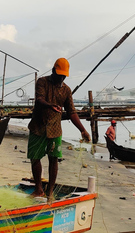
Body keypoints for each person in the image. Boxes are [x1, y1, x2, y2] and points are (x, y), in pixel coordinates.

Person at [27, 58, 91, 199]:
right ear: (53, 71)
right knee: (35, 158)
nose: (61, 78)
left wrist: (82, 130)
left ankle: (50, 192)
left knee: (54, 159)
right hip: (38, 126)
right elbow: (39, 99)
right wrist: (50, 105)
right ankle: (38, 189)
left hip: (55, 130)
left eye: (64, 76)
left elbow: (72, 112)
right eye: (59, 75)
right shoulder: (42, 82)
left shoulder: (66, 90)